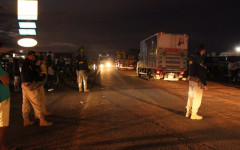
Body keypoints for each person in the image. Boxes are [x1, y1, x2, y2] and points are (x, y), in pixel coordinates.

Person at [21, 51, 53, 126]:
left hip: (25, 85)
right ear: (30, 56)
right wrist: (38, 75)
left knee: (26, 104)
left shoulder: (26, 63)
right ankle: (41, 120)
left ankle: (26, 120)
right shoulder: (28, 64)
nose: (34, 58)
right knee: (36, 102)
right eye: (33, 56)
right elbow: (30, 76)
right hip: (30, 85)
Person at [186, 45, 208, 120]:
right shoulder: (199, 59)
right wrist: (204, 84)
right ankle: (194, 114)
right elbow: (200, 72)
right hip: (197, 81)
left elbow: (189, 68)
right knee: (197, 98)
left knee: (190, 97)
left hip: (191, 80)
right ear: (202, 51)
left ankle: (188, 112)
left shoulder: (192, 57)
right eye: (204, 51)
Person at [0, 65, 10, 150]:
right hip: (2, 98)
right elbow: (6, 81)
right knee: (2, 124)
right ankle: (2, 146)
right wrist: (6, 74)